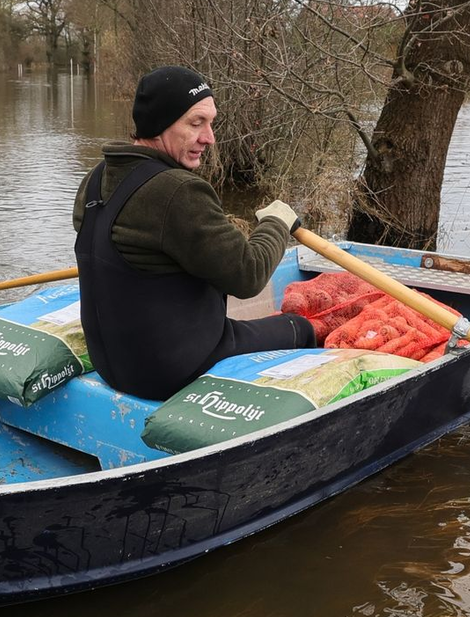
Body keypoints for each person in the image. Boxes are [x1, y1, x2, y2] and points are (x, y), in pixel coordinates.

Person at [73, 64, 315, 400]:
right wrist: (276, 221)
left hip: (113, 366)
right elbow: (249, 276)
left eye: (210, 123)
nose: (209, 138)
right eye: (195, 123)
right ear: (159, 124)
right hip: (175, 370)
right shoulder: (178, 192)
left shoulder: (96, 179)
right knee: (300, 327)